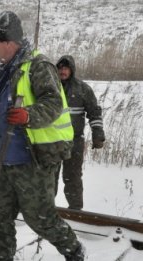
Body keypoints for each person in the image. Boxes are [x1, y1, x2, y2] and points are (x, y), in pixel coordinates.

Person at [0, 11, 84, 261]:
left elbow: (53, 104)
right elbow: (4, 112)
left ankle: (76, 252)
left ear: (9, 43)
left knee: (41, 220)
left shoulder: (39, 66)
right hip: (5, 158)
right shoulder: (6, 69)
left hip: (34, 160)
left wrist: (28, 115)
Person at [55, 55, 105, 210]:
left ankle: (76, 212)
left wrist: (98, 134)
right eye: (60, 68)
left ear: (72, 70)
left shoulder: (83, 89)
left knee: (73, 178)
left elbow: (94, 113)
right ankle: (46, 211)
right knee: (48, 178)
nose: (63, 71)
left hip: (74, 142)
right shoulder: (50, 86)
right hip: (51, 141)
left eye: (66, 68)